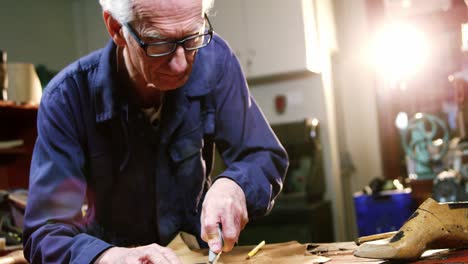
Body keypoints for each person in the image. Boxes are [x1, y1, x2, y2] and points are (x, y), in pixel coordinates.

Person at [23, 0, 288, 263]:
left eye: (191, 38)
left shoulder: (214, 60)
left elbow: (263, 155)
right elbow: (46, 233)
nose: (181, 65)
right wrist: (108, 257)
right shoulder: (68, 98)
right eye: (160, 44)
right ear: (116, 28)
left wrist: (235, 185)